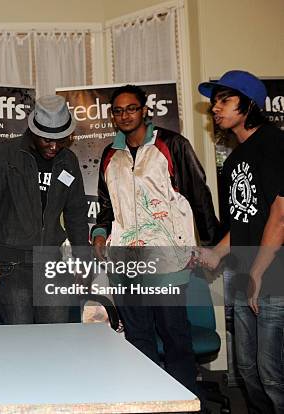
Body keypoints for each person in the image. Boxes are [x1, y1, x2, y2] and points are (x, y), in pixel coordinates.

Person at [91, 84, 220, 396]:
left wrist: (212, 245)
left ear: (145, 111)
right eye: (118, 110)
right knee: (138, 336)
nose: (125, 115)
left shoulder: (172, 144)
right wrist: (99, 233)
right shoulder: (111, 154)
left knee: (175, 336)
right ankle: (148, 399)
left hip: (167, 261)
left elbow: (199, 197)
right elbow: (106, 205)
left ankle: (182, 401)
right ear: (112, 115)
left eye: (131, 108)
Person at [197, 70, 284, 413]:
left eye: (224, 100)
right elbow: (245, 217)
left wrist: (259, 271)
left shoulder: (275, 143)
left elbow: (280, 212)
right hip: (245, 271)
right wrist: (217, 253)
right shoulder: (234, 159)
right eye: (214, 101)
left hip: (272, 273)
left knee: (272, 373)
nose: (215, 108)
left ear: (248, 104)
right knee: (247, 371)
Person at [0, 95, 89, 324]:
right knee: (19, 347)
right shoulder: (5, 155)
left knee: (55, 343)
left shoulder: (68, 161)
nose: (54, 146)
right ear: (33, 130)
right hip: (12, 267)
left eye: (60, 139)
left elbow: (76, 214)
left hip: (52, 265)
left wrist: (83, 258)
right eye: (47, 140)